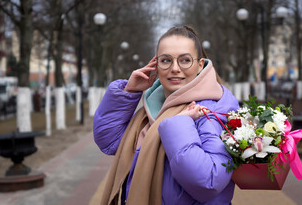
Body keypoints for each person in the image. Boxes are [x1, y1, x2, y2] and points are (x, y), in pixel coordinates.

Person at [93, 25, 239, 205]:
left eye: (185, 60)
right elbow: (110, 141)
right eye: (166, 60)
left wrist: (179, 125)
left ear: (200, 65)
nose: (175, 68)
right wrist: (128, 92)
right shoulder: (153, 109)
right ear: (156, 65)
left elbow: (209, 181)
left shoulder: (210, 111)